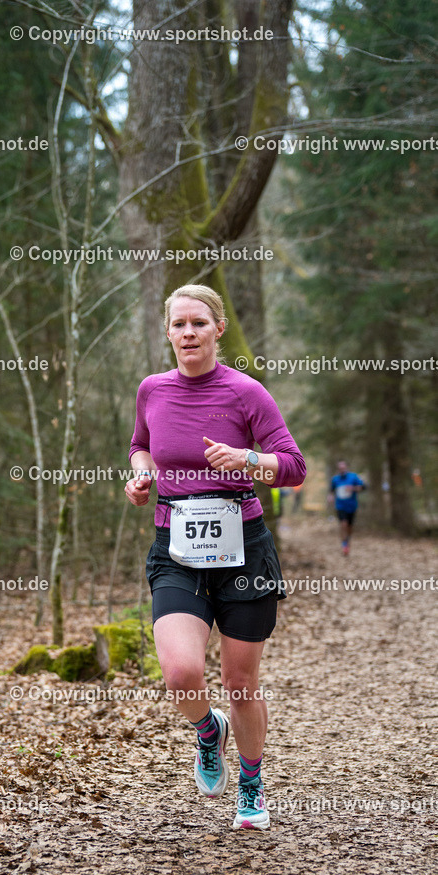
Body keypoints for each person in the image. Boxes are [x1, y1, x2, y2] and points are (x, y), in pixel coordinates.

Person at [124, 284, 306, 830]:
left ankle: (250, 783)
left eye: (198, 323)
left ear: (218, 329)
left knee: (241, 682)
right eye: (178, 324)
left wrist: (249, 458)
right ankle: (209, 731)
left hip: (243, 549)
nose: (188, 334)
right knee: (181, 672)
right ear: (167, 332)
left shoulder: (247, 393)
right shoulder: (152, 390)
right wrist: (140, 475)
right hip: (176, 547)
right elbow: (141, 444)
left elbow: (294, 467)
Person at [328, 459, 365, 556]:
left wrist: (352, 488)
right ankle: (344, 545)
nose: (342, 469)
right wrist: (330, 497)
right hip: (340, 506)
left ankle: (347, 542)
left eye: (343, 467)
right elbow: (331, 490)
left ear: (346, 467)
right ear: (338, 469)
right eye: (340, 468)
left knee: (349, 527)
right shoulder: (335, 479)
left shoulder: (353, 477)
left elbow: (363, 487)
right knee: (343, 524)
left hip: (352, 506)